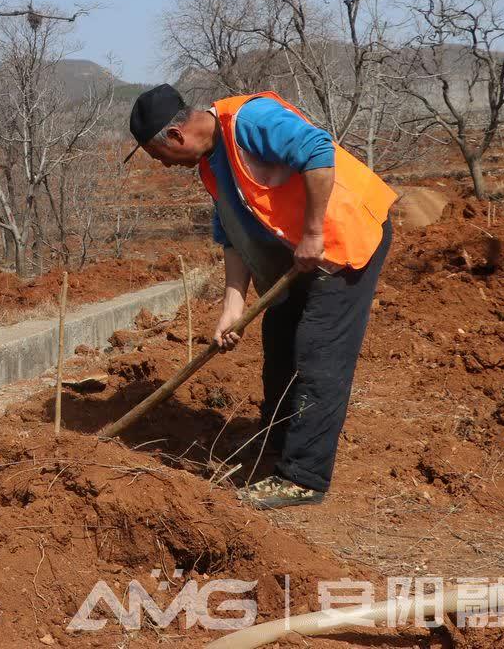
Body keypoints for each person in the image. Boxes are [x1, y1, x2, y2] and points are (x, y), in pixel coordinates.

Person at [123, 84, 396, 509]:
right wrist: (232, 306)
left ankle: (302, 478)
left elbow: (318, 151)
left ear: (176, 136)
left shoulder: (250, 121)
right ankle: (278, 442)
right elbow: (233, 236)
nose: (164, 166)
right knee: (280, 340)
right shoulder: (212, 165)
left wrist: (312, 233)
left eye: (159, 157)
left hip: (340, 241)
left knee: (317, 354)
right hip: (297, 254)